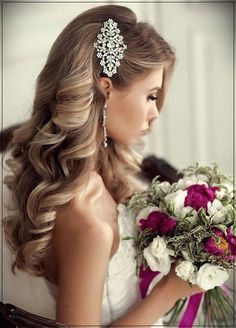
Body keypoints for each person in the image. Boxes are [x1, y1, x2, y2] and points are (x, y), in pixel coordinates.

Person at [2, 4, 204, 327]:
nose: (155, 113)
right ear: (105, 89)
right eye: (151, 96)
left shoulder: (94, 173)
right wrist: (169, 292)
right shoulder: (88, 225)